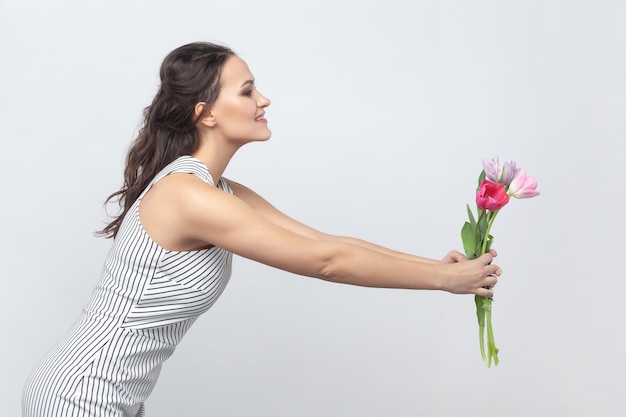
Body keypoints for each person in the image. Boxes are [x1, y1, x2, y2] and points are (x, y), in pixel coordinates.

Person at [22, 41, 501, 417]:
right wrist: (441, 282)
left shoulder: (218, 190)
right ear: (206, 113)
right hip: (82, 394)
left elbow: (324, 242)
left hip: (111, 393)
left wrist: (437, 269)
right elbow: (326, 264)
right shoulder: (186, 197)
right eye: (247, 90)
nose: (263, 98)